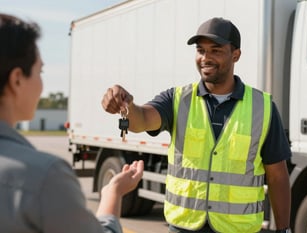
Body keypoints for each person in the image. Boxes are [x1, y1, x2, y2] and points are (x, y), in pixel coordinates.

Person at [102, 17, 292, 233]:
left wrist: (284, 229)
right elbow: (142, 120)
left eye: (216, 50)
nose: (205, 58)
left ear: (236, 55)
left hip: (238, 229)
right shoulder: (177, 99)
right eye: (200, 50)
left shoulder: (263, 107)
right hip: (184, 227)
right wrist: (126, 104)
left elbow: (277, 175)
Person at [0, 13, 144, 233]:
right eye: (40, 71)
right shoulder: (45, 177)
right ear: (17, 79)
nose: (41, 83)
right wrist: (113, 193)